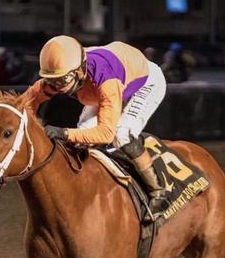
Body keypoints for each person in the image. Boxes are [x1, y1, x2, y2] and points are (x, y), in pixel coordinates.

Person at [22, 35, 168, 213]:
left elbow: (106, 133)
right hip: (106, 84)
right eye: (53, 81)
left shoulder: (104, 77)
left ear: (80, 71)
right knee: (82, 135)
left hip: (144, 83)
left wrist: (63, 133)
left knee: (121, 135)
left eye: (62, 80)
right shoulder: (65, 72)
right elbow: (26, 101)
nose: (58, 87)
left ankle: (158, 191)